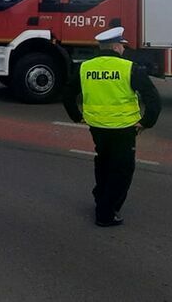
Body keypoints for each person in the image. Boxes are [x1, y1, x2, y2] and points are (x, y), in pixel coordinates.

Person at [62, 27, 162, 227]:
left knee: (103, 163)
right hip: (124, 128)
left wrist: (77, 117)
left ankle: (100, 196)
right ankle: (105, 214)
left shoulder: (85, 67)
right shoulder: (129, 67)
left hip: (97, 127)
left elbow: (68, 94)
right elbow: (153, 98)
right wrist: (146, 122)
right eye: (122, 46)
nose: (123, 49)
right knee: (122, 170)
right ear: (116, 46)